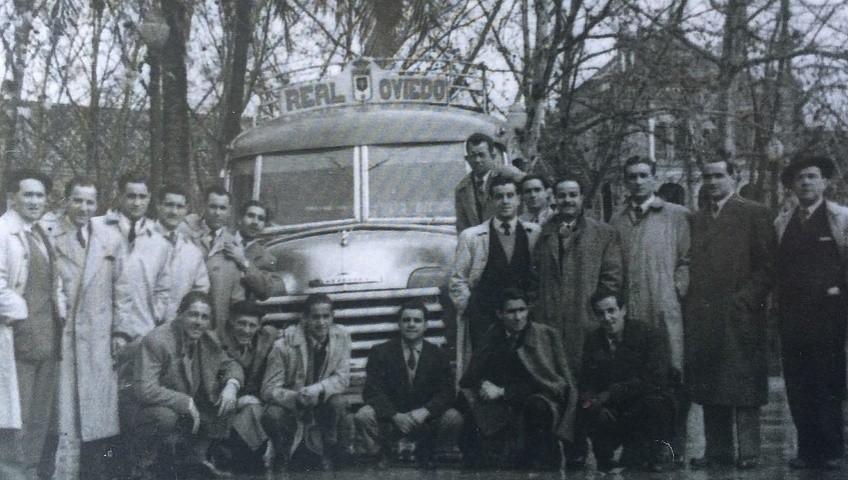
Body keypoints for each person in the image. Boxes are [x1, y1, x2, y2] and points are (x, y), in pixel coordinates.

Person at [685, 158, 774, 470]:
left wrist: (746, 300)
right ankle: (717, 452)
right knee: (712, 383)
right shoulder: (697, 219)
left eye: (718, 175)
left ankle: (749, 452)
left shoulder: (755, 212)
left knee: (744, 385)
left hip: (742, 314)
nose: (712, 182)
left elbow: (767, 265)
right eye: (707, 176)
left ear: (734, 176)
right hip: (705, 314)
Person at [530, 175, 622, 469]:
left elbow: (612, 279)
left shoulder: (602, 234)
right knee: (560, 389)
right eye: (562, 195)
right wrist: (539, 310)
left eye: (573, 195)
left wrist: (598, 314)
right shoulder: (544, 234)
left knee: (588, 391)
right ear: (553, 198)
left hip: (587, 326)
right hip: (552, 328)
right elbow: (533, 280)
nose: (567, 200)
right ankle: (573, 450)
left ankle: (602, 452)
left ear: (583, 198)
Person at [609, 156, 690, 461]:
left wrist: (676, 292)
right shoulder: (617, 220)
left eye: (644, 175)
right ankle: (637, 447)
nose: (638, 181)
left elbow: (687, 260)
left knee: (672, 378)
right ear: (625, 181)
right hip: (631, 312)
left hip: (665, 310)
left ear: (654, 178)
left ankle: (672, 449)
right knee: (634, 380)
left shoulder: (676, 215)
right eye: (632, 176)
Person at [51, 177, 128, 479]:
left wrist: (120, 332)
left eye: (89, 202)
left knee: (100, 420)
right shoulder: (52, 235)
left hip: (99, 338)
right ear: (67, 201)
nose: (83, 207)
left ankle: (98, 474)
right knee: (66, 418)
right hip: (66, 339)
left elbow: (122, 289)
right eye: (77, 200)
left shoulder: (110, 237)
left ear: (98, 204)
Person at [774, 155, 847, 470]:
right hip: (793, 317)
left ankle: (832, 449)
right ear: (792, 185)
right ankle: (807, 450)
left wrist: (839, 292)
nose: (805, 182)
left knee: (827, 382)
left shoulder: (840, 218)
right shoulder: (782, 221)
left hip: (829, 317)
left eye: (812, 176)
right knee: (798, 384)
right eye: (799, 178)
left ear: (825, 181)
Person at [120, 291, 243, 479]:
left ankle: (196, 459)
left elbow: (229, 364)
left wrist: (232, 386)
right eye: (193, 314)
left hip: (175, 403)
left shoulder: (207, 339)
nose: (198, 322)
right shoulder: (158, 340)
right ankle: (142, 466)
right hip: (141, 408)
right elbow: (144, 389)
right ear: (179, 315)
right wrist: (185, 402)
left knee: (223, 396)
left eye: (204, 317)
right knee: (165, 416)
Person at [458, 288, 576, 471]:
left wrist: (503, 392)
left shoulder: (543, 336)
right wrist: (483, 384)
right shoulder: (492, 336)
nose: (518, 317)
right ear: (499, 314)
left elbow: (551, 384)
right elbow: (470, 377)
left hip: (535, 398)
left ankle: (540, 465)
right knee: (468, 406)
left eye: (522, 310)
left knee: (538, 408)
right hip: (499, 403)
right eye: (511, 311)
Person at [0, 169, 60, 480]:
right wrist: (19, 311)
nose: (35, 201)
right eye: (29, 194)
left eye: (40, 195)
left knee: (39, 420)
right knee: (14, 421)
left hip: (47, 340)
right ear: (13, 197)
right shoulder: (3, 232)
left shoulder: (40, 232)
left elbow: (53, 283)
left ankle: (31, 474)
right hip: (18, 340)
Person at [579, 290, 681, 473]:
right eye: (600, 313)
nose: (607, 318)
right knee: (590, 413)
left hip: (645, 403)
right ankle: (608, 456)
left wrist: (610, 394)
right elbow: (587, 381)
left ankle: (657, 453)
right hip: (614, 409)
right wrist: (591, 402)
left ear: (623, 310)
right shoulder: (594, 341)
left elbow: (654, 379)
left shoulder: (649, 335)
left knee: (655, 405)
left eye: (611, 311)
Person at [354, 299, 463, 470]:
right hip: (392, 418)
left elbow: (447, 392)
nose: (411, 324)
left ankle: (430, 454)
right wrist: (395, 415)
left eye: (417, 320)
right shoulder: (381, 351)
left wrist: (424, 412)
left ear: (425, 325)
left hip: (424, 420)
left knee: (453, 417)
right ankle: (382, 454)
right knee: (364, 415)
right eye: (406, 320)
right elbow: (372, 391)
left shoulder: (438, 354)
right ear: (399, 323)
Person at [448, 174, 542, 371]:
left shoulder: (534, 233)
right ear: (490, 200)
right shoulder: (472, 237)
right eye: (499, 196)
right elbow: (457, 280)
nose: (505, 201)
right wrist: (471, 309)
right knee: (487, 369)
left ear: (518, 199)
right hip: (485, 318)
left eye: (510, 195)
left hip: (523, 317)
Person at [261, 293, 351, 472]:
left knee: (339, 402)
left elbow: (342, 378)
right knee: (272, 414)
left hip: (321, 400)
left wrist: (318, 390)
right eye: (315, 317)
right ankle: (282, 454)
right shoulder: (283, 345)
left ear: (333, 317)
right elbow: (268, 389)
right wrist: (296, 397)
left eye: (326, 316)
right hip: (293, 404)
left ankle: (329, 451)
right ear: (304, 318)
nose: (321, 322)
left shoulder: (342, 337)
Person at [96, 172, 172, 349]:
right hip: (101, 328)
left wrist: (153, 315)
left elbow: (164, 288)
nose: (137, 203)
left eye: (142, 197)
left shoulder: (159, 242)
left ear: (149, 198)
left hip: (142, 330)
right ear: (120, 195)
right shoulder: (98, 229)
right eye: (131, 196)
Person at [215, 300, 278, 474]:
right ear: (231, 321)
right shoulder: (216, 341)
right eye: (241, 323)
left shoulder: (267, 339)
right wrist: (238, 400)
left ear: (259, 326)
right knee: (252, 412)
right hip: (224, 405)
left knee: (254, 412)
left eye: (252, 325)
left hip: (256, 404)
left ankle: (239, 461)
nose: (246, 330)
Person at [181, 186, 245, 332]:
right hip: (183, 316)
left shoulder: (233, 245)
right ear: (204, 206)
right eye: (213, 207)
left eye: (222, 208)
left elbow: (237, 296)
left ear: (229, 210)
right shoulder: (186, 233)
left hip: (215, 325)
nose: (217, 213)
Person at [153, 184, 209, 322]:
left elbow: (201, 290)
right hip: (141, 327)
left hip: (176, 328)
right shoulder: (140, 240)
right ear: (158, 206)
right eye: (169, 205)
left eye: (180, 207)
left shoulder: (192, 252)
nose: (174, 212)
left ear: (186, 210)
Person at [232, 200, 286, 303]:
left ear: (264, 226)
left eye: (260, 219)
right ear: (239, 219)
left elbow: (265, 291)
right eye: (251, 216)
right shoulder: (222, 242)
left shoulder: (267, 258)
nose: (255, 222)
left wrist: (244, 262)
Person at [454, 133, 499, 234]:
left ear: (492, 156)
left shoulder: (506, 178)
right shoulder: (462, 189)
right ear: (467, 158)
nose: (477, 160)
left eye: (482, 155)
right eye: (473, 156)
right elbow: (462, 226)